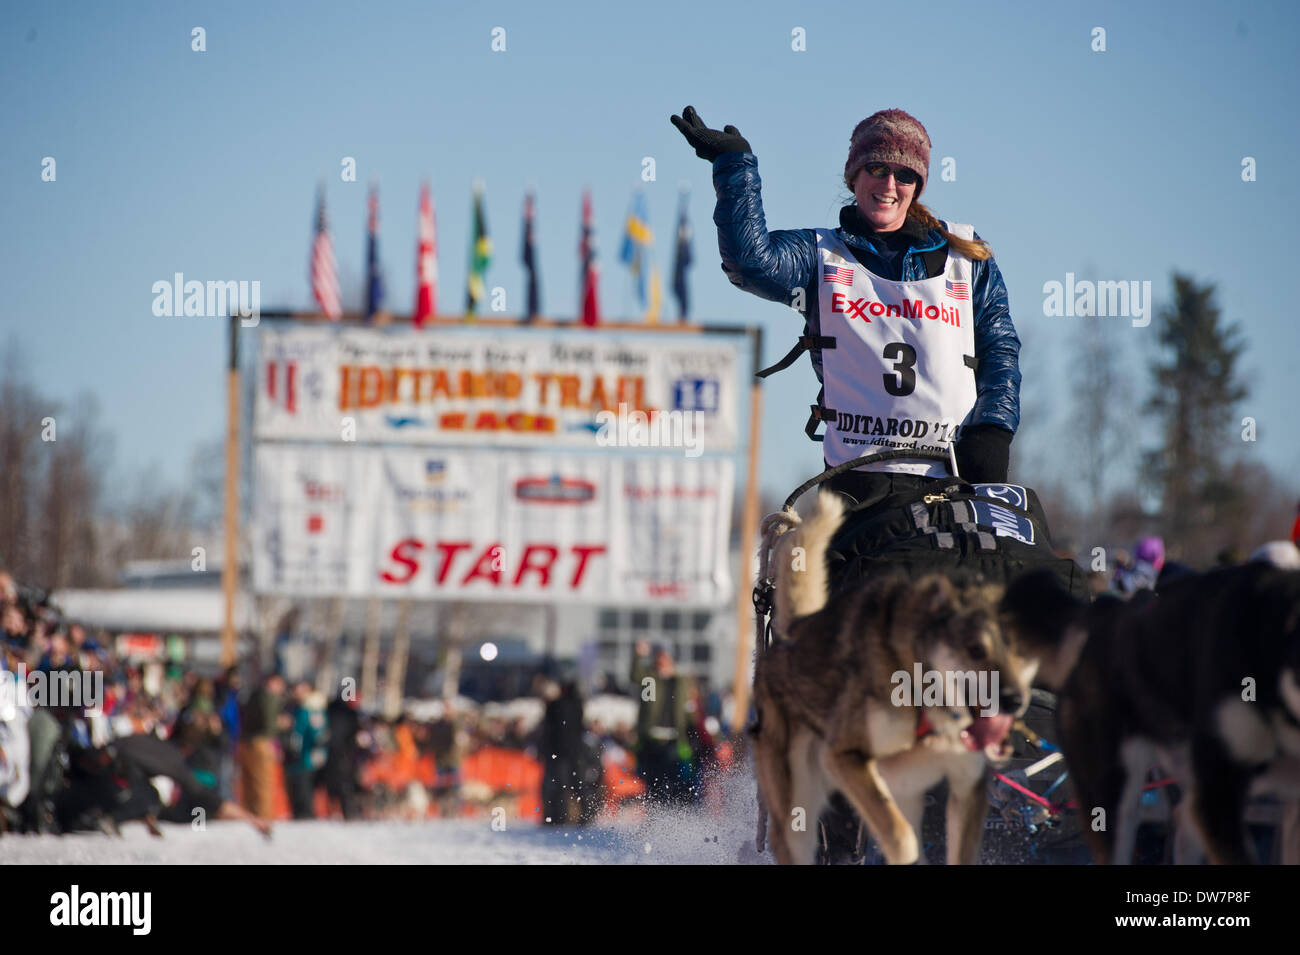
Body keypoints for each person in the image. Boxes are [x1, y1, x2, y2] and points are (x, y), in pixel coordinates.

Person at [671, 105, 1021, 509]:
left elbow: (1000, 348)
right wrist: (735, 166)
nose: (890, 184)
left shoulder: (966, 256)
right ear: (853, 176)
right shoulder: (821, 254)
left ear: (918, 185)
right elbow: (751, 262)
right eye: (877, 168)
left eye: (905, 174)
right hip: (855, 483)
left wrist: (993, 429)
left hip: (951, 475)